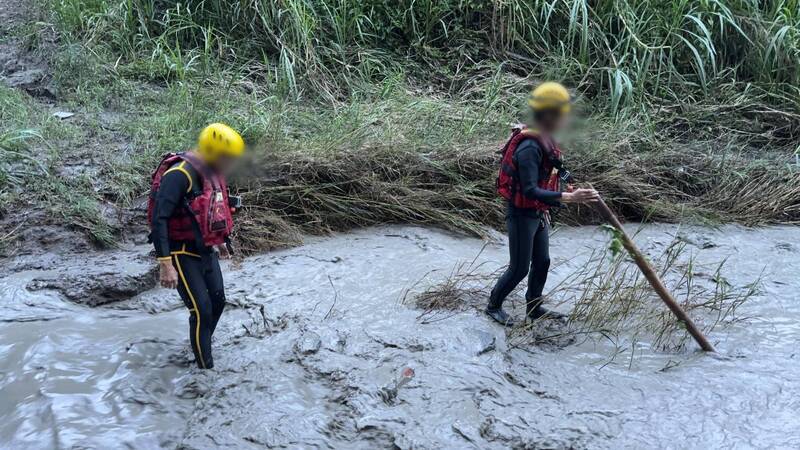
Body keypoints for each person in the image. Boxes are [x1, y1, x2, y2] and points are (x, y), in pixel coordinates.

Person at [487, 82, 599, 327]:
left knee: (543, 261)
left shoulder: (543, 139)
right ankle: (493, 306)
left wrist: (562, 190)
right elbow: (529, 189)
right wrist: (567, 198)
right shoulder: (528, 148)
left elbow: (547, 177)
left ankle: (534, 307)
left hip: (538, 212)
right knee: (519, 269)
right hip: (521, 214)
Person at [147, 123, 245, 369]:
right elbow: (159, 220)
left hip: (204, 248)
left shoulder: (210, 171)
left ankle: (200, 344)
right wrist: (165, 264)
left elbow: (212, 209)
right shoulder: (179, 174)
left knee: (218, 301)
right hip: (180, 252)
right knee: (201, 310)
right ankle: (205, 371)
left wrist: (221, 241)